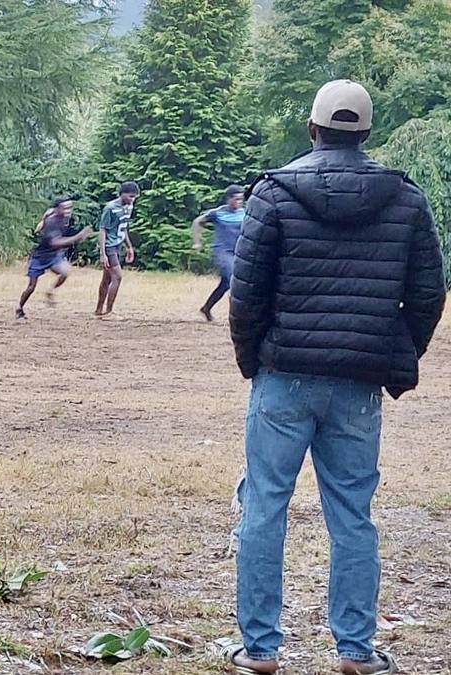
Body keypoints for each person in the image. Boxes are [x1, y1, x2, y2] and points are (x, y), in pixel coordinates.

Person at [228, 80, 445, 675]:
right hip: (358, 384)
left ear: (312, 127)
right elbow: (428, 291)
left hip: (285, 374)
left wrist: (257, 359)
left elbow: (246, 295)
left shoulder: (273, 195)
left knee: (265, 506)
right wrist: (393, 352)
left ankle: (261, 649)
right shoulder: (406, 199)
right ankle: (355, 650)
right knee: (352, 512)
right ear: (367, 134)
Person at [16, 196, 91, 320]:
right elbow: (55, 242)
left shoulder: (63, 218)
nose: (68, 210)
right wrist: (77, 237)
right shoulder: (52, 221)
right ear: (57, 209)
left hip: (53, 255)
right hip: (40, 257)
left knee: (65, 272)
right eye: (65, 208)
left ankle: (50, 291)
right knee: (31, 287)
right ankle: (19, 307)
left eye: (69, 207)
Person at [192, 184, 245, 322]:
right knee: (233, 280)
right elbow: (197, 222)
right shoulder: (218, 213)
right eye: (236, 199)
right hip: (222, 251)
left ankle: (206, 308)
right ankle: (237, 316)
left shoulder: (244, 213)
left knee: (226, 284)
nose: (239, 202)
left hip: (238, 252)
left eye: (241, 199)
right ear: (228, 199)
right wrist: (197, 241)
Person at [95, 182, 139, 318]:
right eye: (130, 196)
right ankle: (109, 311)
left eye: (135, 197)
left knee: (107, 279)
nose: (132, 200)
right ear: (122, 194)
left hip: (118, 244)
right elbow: (102, 230)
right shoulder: (110, 208)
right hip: (109, 246)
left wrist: (129, 246)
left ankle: (98, 310)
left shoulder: (129, 207)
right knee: (117, 277)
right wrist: (103, 254)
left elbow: (123, 227)